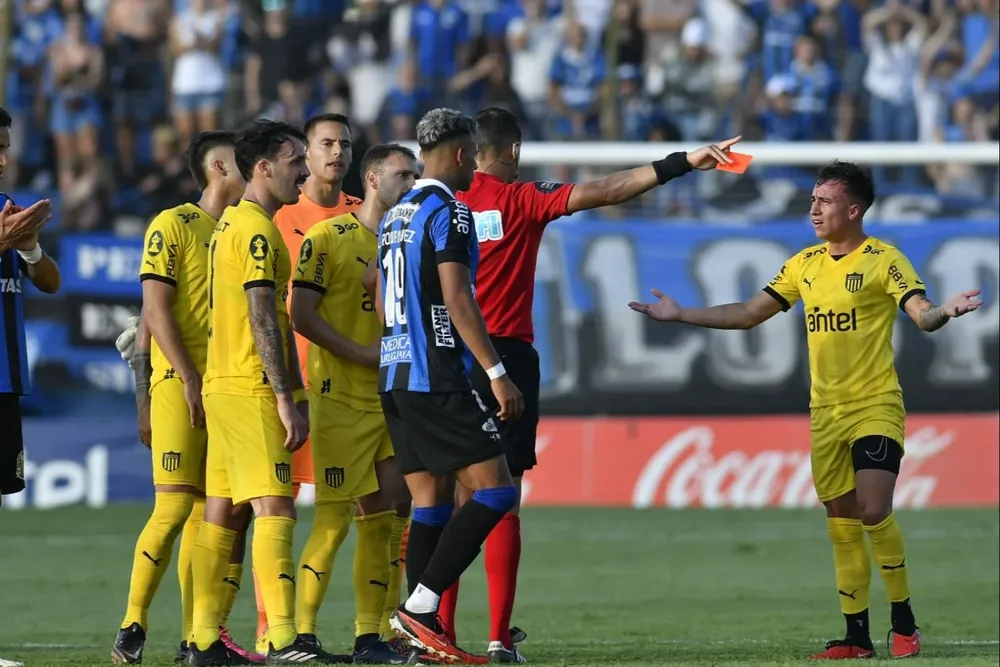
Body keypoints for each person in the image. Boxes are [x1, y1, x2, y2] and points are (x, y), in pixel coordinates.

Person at [628, 161, 982, 661]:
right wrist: (682, 314)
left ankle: (904, 621)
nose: (814, 209)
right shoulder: (804, 264)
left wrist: (945, 311)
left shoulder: (885, 260)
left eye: (825, 201)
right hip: (825, 413)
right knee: (841, 522)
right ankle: (856, 637)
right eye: (813, 200)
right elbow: (749, 313)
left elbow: (921, 313)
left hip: (874, 404)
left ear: (853, 210)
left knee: (873, 510)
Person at [441, 106, 740, 662]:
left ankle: (438, 632)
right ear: (513, 150)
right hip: (507, 356)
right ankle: (498, 637)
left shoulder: (443, 202)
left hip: (450, 356)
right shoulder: (521, 199)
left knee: (456, 500)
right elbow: (607, 190)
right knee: (504, 497)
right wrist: (682, 161)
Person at [188, 119, 346, 666]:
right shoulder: (258, 230)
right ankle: (283, 638)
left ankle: (202, 640)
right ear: (263, 168)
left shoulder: (231, 223)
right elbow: (262, 315)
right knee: (275, 506)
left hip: (222, 385)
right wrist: (285, 396)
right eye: (295, 161)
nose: (304, 171)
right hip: (250, 387)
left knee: (224, 514)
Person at [377, 107, 524, 666]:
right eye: (473, 158)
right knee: (496, 490)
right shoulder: (451, 211)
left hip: (394, 373)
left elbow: (385, 296)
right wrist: (497, 373)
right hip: (435, 373)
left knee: (430, 500)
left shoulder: (396, 213)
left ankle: (422, 639)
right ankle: (420, 606)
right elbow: (458, 298)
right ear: (462, 155)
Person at [111, 131, 262, 665]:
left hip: (226, 387)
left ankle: (196, 638)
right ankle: (132, 625)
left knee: (210, 513)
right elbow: (153, 312)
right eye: (244, 162)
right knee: (175, 506)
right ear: (219, 167)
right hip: (179, 383)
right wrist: (153, 392)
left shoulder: (242, 229)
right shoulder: (172, 224)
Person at [290, 144, 419, 664]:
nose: (411, 184)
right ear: (371, 178)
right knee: (334, 519)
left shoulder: (409, 242)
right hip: (339, 399)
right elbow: (301, 314)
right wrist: (362, 354)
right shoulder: (327, 238)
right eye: (402, 175)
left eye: (415, 176)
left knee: (384, 520)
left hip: (392, 399)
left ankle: (371, 637)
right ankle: (301, 637)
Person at [0, 106, 60, 667]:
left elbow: (51, 281)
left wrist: (29, 246)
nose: (3, 159)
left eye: (5, 147)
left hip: (4, 382)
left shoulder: (8, 210)